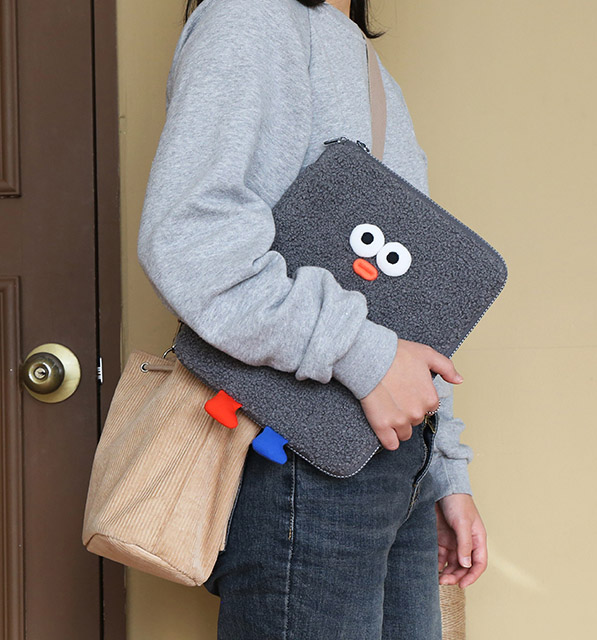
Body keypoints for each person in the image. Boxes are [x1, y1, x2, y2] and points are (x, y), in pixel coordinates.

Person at [137, 0, 488, 637]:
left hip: (393, 466)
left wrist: (442, 473)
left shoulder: (359, 56)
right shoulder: (249, 18)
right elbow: (191, 240)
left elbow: (411, 301)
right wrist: (362, 352)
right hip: (299, 463)